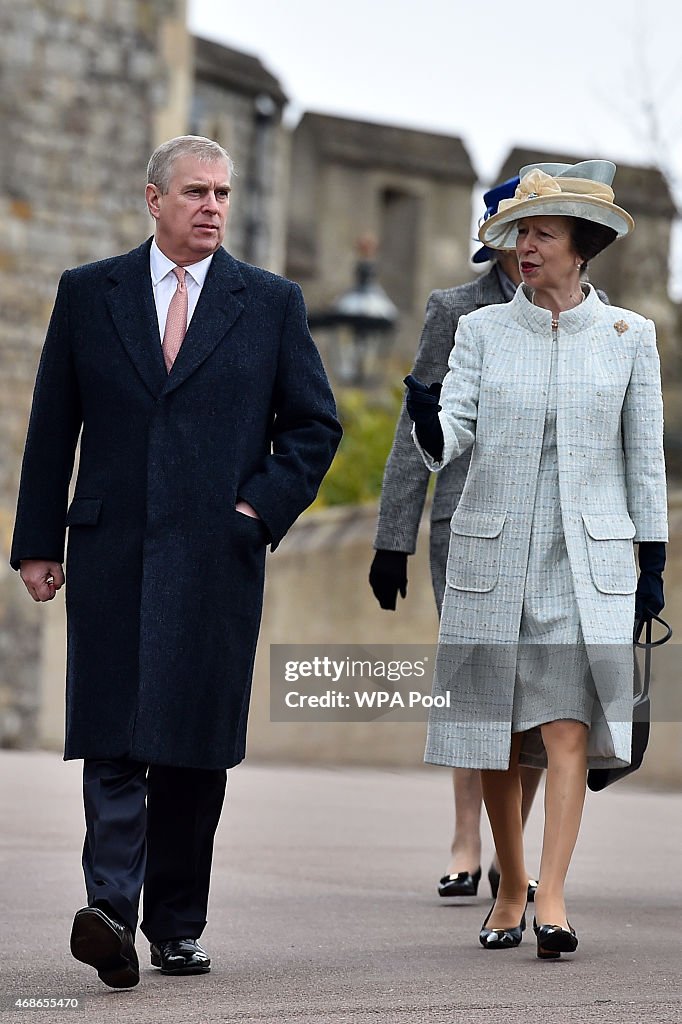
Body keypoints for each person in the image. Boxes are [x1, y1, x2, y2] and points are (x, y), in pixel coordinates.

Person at [10, 135, 342, 988]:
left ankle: (177, 925)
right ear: (152, 199)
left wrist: (254, 511)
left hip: (216, 558)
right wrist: (39, 542)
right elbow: (55, 425)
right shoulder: (90, 294)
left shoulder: (269, 302)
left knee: (193, 747)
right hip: (114, 549)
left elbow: (313, 426)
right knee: (113, 736)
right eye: (196, 191)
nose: (214, 207)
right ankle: (111, 913)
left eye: (224, 194)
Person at [404, 159, 667, 959]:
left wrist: (650, 562)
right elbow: (451, 437)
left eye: (541, 233)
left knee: (565, 730)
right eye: (519, 232)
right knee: (493, 735)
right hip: (492, 559)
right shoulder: (482, 331)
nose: (525, 245)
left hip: (585, 566)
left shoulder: (630, 337)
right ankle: (509, 885)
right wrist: (424, 419)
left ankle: (550, 894)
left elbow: (644, 457)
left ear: (580, 246)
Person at [370, 178, 542, 902]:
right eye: (516, 230)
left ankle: (515, 846)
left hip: (544, 524)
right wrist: (392, 536)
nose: (527, 244)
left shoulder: (579, 313)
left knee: (538, 686)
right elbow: (420, 428)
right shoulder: (453, 308)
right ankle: (467, 839)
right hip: (465, 524)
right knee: (476, 686)